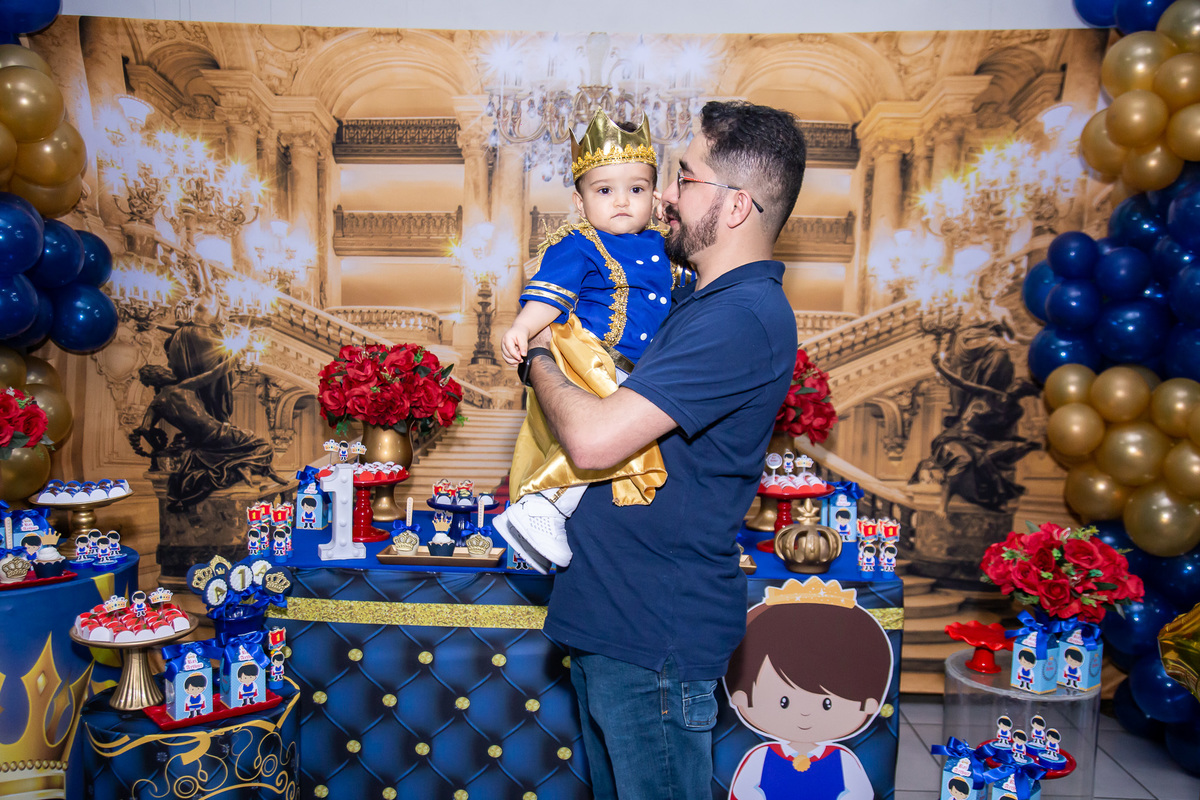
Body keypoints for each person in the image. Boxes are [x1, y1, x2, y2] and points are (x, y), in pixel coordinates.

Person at [521, 100, 805, 799]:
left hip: (654, 634)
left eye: (686, 177)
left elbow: (593, 439)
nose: (667, 195)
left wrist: (538, 357)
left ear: (734, 205)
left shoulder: (741, 318)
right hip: (618, 619)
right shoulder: (698, 301)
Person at [497, 107, 677, 573]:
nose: (622, 201)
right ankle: (543, 506)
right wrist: (522, 327)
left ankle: (548, 508)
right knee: (605, 435)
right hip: (590, 357)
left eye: (636, 189)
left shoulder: (663, 245)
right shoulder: (578, 243)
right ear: (580, 203)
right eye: (604, 191)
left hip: (638, 368)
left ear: (655, 196)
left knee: (624, 438)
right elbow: (550, 294)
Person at [724, 581, 892, 799]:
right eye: (784, 701)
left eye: (826, 703)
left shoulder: (843, 760)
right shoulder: (761, 757)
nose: (805, 712)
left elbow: (860, 794)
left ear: (869, 705)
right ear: (742, 698)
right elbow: (744, 791)